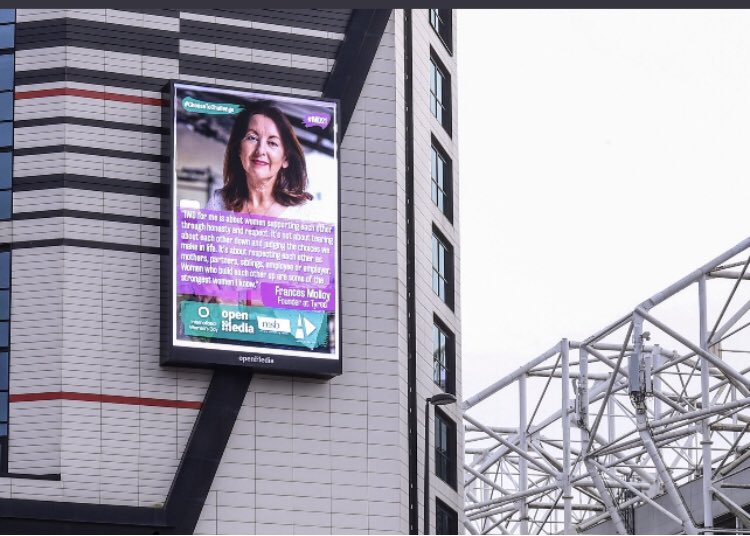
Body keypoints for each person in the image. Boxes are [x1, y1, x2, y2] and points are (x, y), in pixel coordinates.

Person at [205, 100, 320, 221]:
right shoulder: (218, 203)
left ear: (286, 159)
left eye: (272, 143)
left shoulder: (305, 213)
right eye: (252, 138)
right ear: (239, 149)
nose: (260, 151)